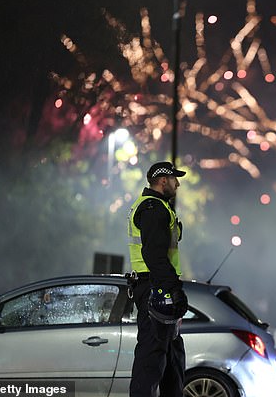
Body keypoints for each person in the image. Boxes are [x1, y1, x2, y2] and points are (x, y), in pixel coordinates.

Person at [128, 161, 188, 397]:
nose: (178, 183)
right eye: (175, 179)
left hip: (157, 286)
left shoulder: (157, 206)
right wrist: (173, 289)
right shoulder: (153, 208)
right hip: (155, 288)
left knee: (172, 358)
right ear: (163, 180)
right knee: (151, 359)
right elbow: (153, 255)